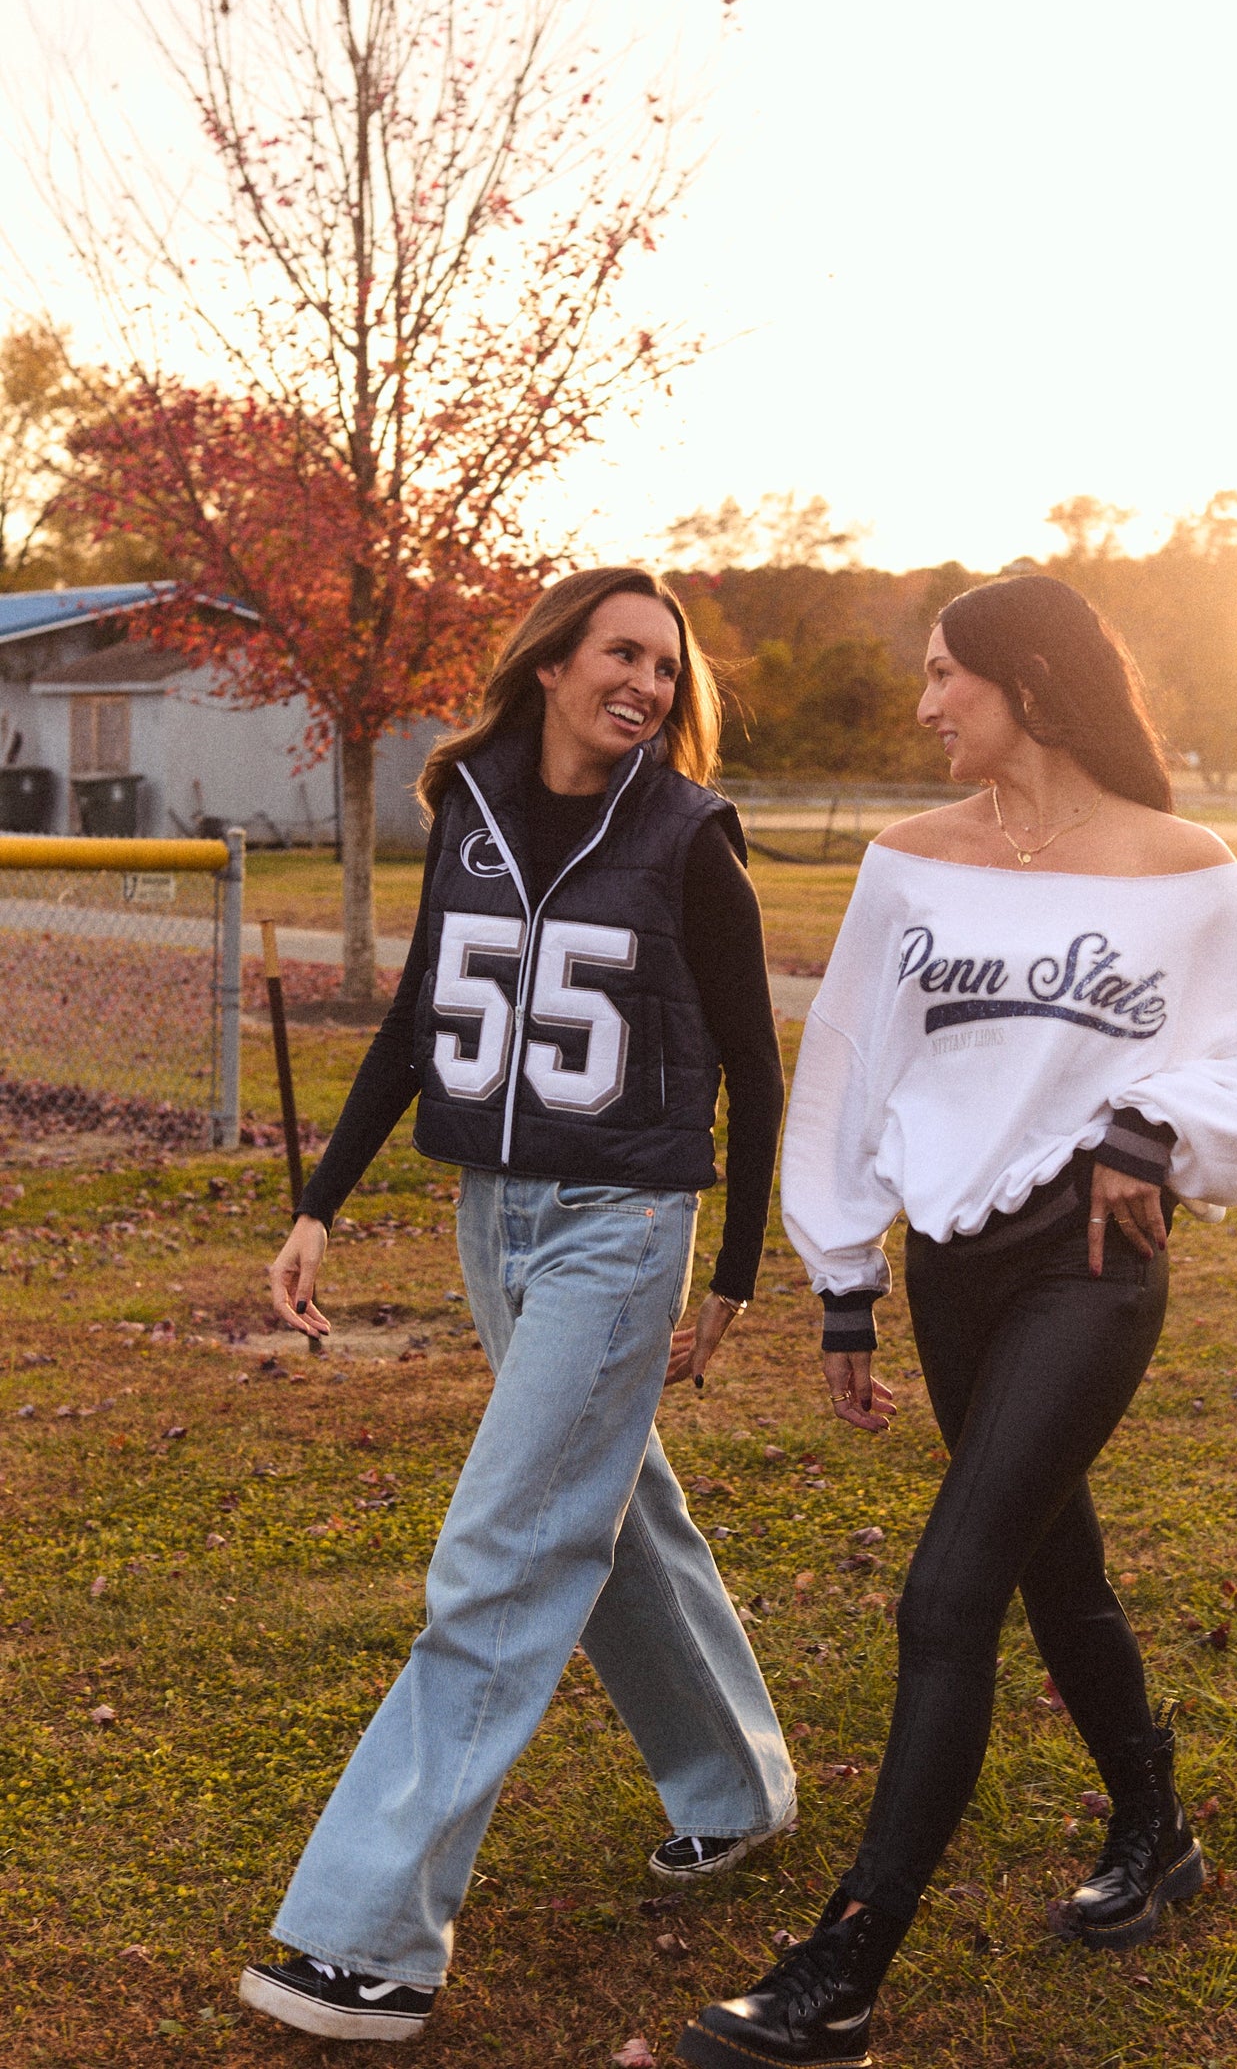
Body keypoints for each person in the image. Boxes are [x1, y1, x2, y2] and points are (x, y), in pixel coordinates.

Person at [679, 573, 1237, 2069]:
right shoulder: (909, 863)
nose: (920, 709)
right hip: (948, 1265)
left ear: (1026, 682)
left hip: (1086, 1264)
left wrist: (1152, 1131)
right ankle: (1152, 1825)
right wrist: (840, 1286)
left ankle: (839, 1974)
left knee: (947, 1591)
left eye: (941, 680)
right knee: (1052, 1559)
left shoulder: (1184, 871)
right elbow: (849, 1063)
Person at [239, 566, 796, 2044]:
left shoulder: (686, 838)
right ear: (549, 662)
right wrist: (318, 1204)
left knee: (501, 1554)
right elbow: (422, 1018)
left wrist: (733, 1273)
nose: (648, 686)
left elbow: (753, 1066)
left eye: (666, 671)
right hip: (497, 1221)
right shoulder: (469, 805)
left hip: (623, 1227)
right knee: (606, 1513)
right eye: (621, 654)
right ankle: (737, 1787)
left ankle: (367, 1943)